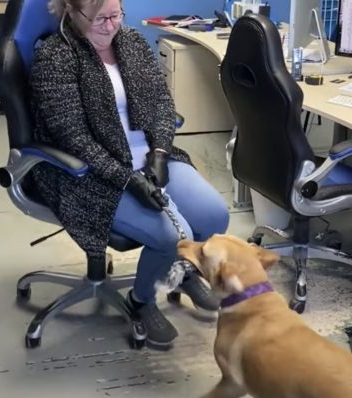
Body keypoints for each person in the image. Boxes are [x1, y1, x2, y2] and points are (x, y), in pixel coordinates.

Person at [29, 0, 230, 349]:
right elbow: (73, 138)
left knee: (214, 216)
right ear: (71, 12)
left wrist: (161, 152)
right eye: (100, 19)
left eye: (116, 15)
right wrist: (126, 178)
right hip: (91, 173)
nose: (111, 26)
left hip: (147, 158)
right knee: (169, 234)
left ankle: (180, 271)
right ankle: (142, 300)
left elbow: (162, 104)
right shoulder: (55, 57)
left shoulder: (131, 41)